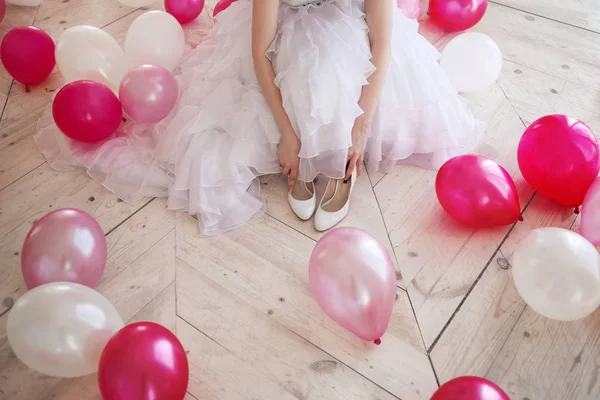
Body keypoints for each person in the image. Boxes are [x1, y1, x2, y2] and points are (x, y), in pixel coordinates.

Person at [35, 0, 484, 236]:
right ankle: (308, 148)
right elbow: (259, 51)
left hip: (353, 32)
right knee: (302, 64)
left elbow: (382, 45)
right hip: (283, 33)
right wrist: (287, 133)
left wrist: (360, 126)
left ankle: (338, 152)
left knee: (333, 61)